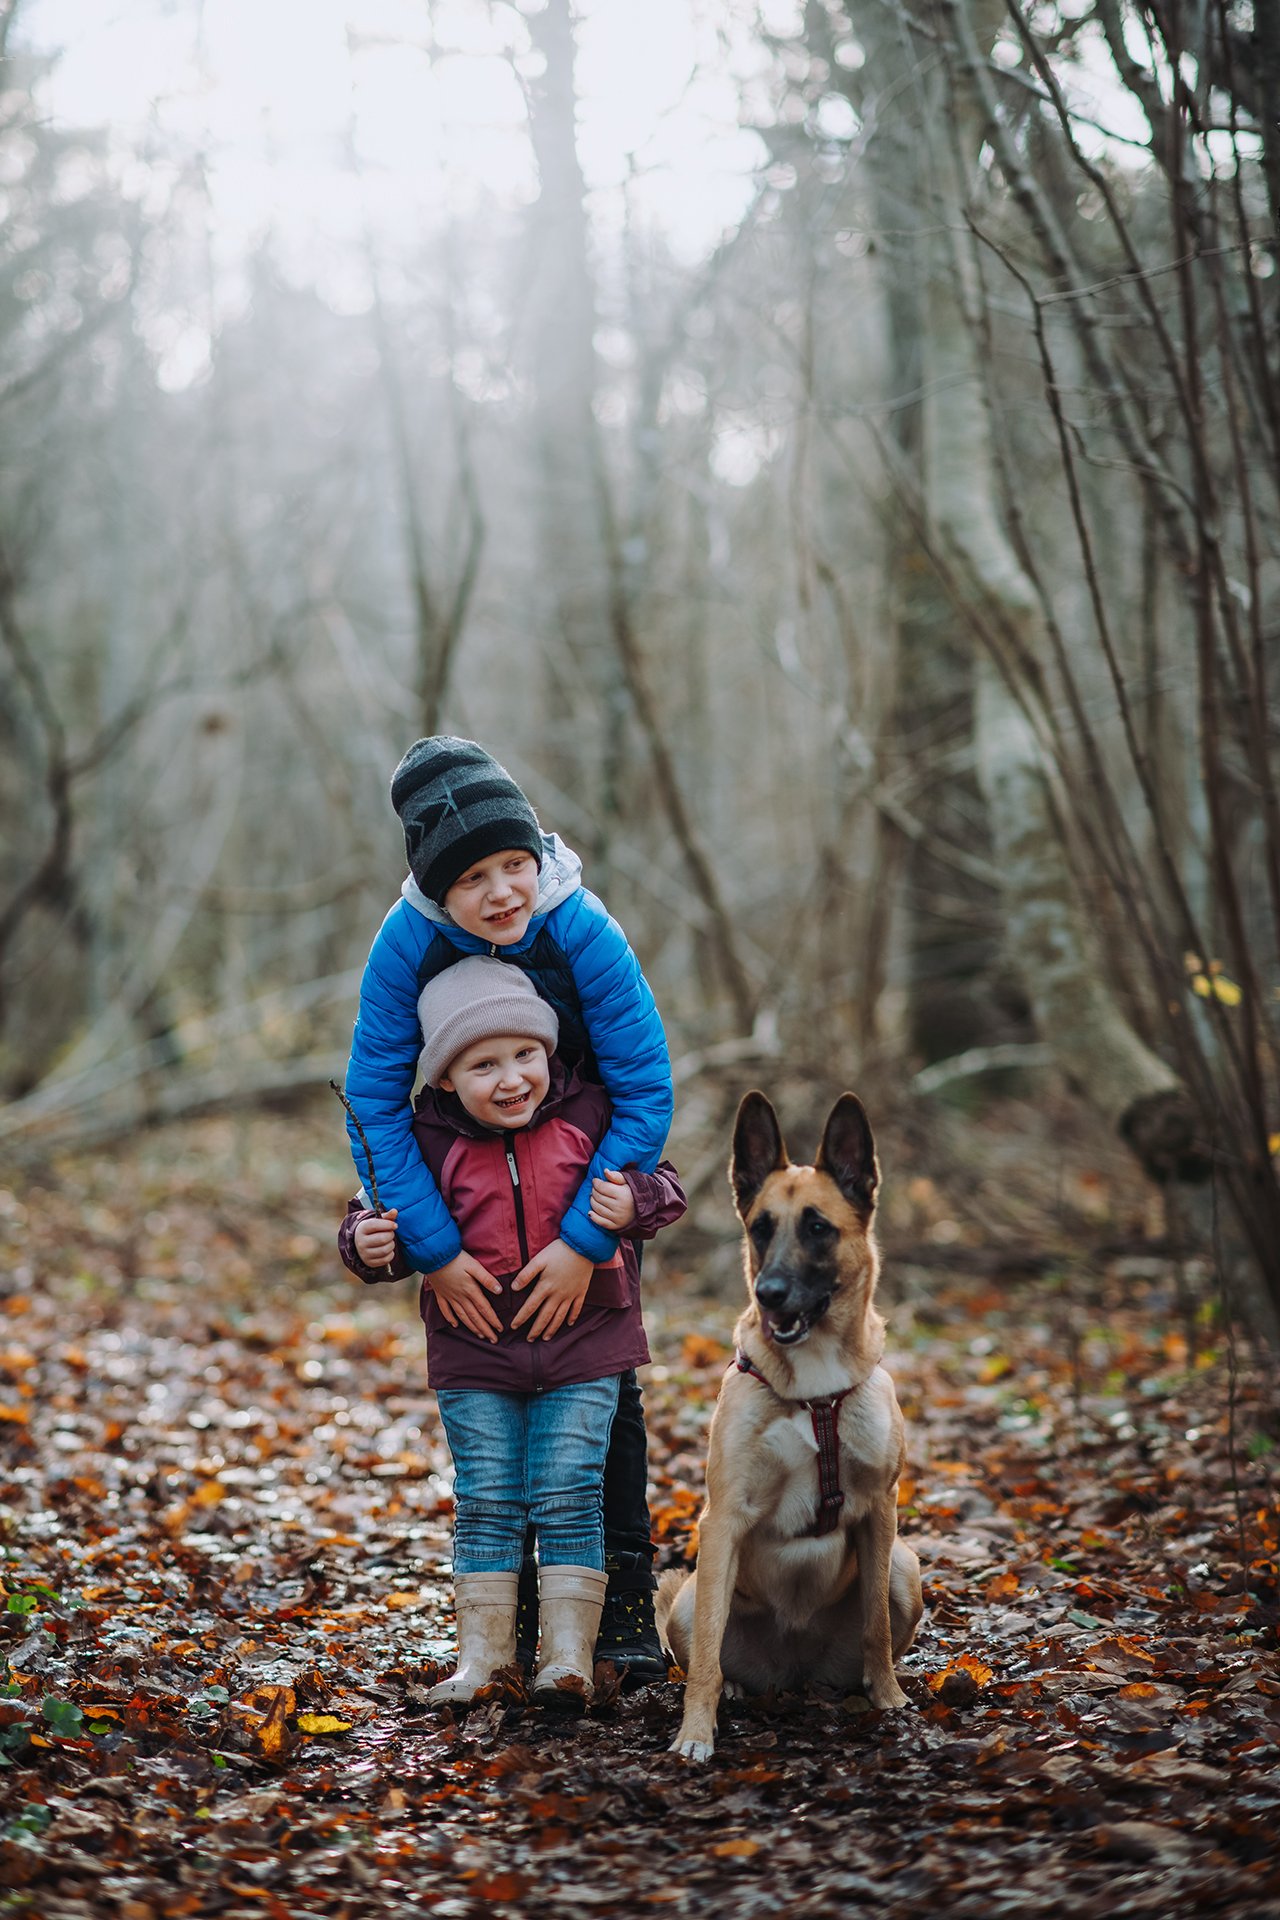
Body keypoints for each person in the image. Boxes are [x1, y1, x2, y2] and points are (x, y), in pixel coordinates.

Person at [341, 737, 676, 1679]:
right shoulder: (404, 944)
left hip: (588, 1170)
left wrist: (588, 1238)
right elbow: (374, 1105)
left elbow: (646, 1086)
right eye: (474, 877)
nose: (501, 892)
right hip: (466, 1200)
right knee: (496, 1447)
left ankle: (621, 1616)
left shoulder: (580, 925)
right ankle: (517, 1625)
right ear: (435, 891)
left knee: (602, 1405)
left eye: (514, 864)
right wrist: (433, 1249)